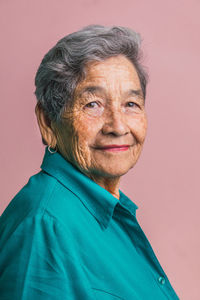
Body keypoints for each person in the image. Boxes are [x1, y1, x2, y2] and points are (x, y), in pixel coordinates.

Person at [0, 25, 179, 299]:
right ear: (48, 122)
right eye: (93, 104)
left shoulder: (106, 210)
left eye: (131, 104)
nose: (118, 126)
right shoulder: (44, 228)